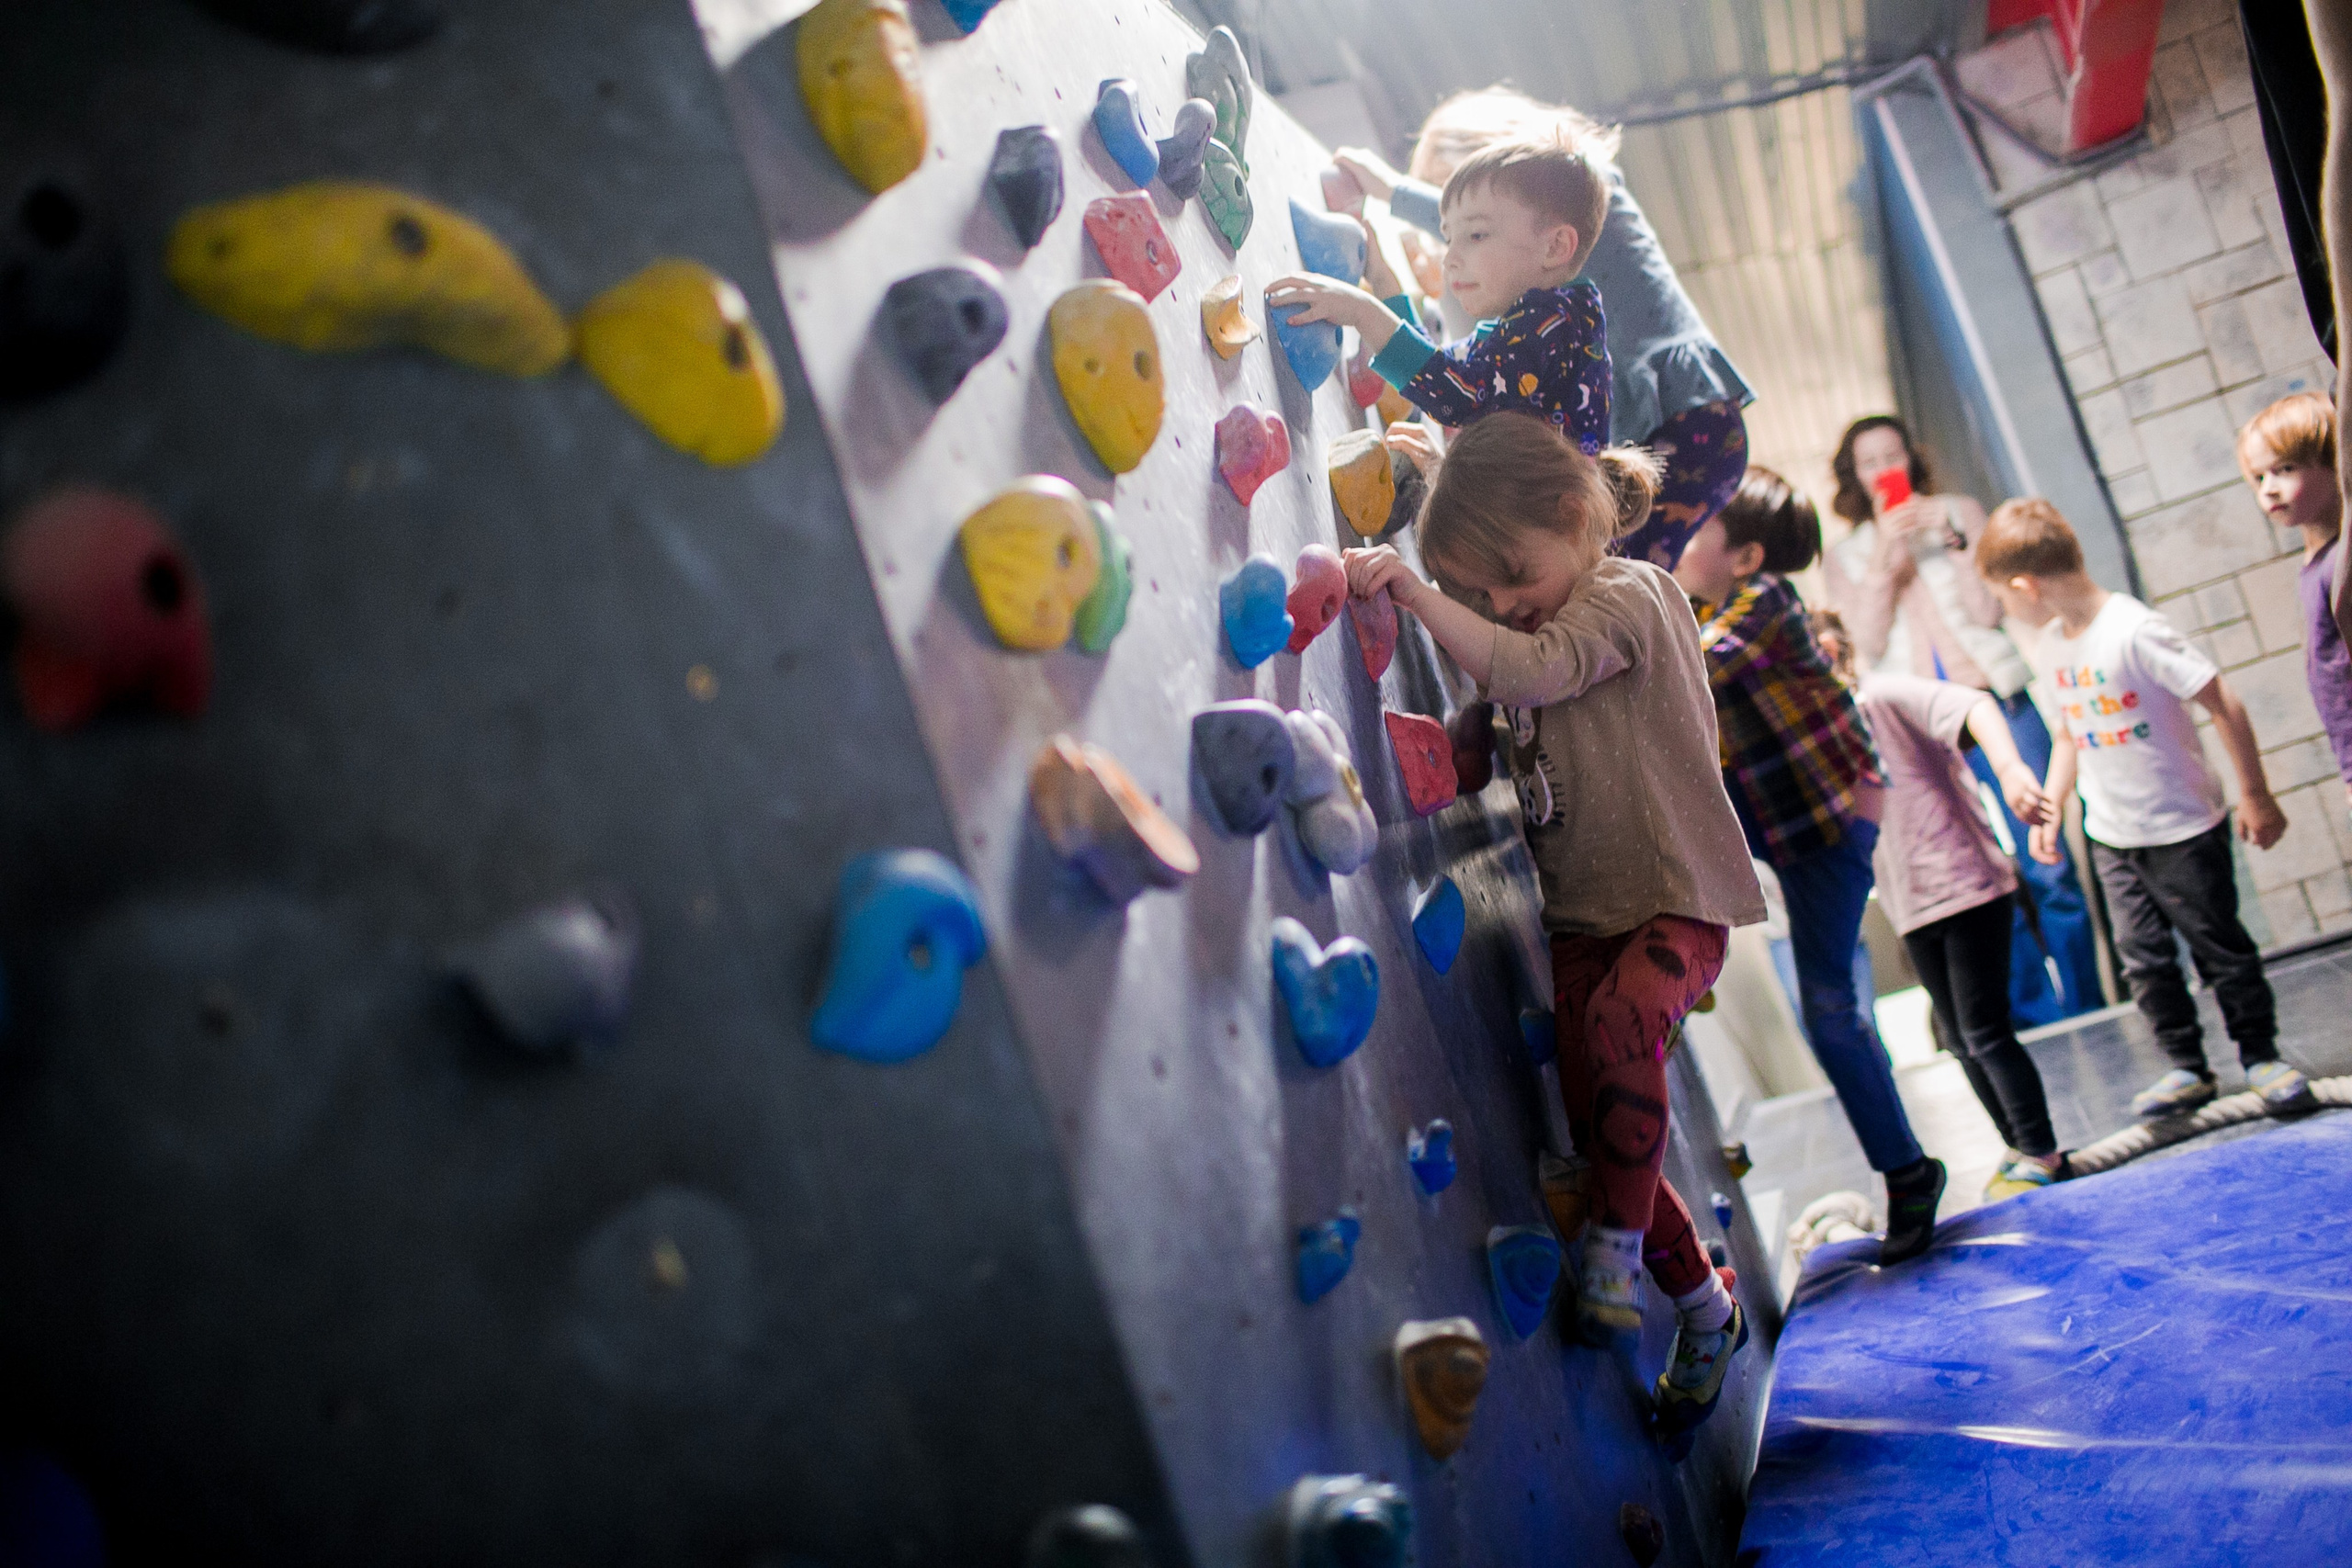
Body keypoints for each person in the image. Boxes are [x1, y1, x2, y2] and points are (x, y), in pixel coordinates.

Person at [1340, 411, 1759, 1440]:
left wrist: (1411, 587)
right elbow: (1512, 718)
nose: (1502, 606)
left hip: (1675, 900)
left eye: (1511, 578)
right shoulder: (1543, 618)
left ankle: (1614, 1253)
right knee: (1606, 1126)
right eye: (1486, 594)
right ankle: (1705, 1310)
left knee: (1620, 1037)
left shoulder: (1629, 596)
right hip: (1583, 922)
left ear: (1575, 519)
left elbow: (1531, 672)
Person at [1672, 467, 1948, 1254]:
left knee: (1828, 1012)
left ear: (1749, 556)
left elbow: (1689, 671)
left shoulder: (1762, 608)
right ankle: (1891, 1123)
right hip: (1789, 830)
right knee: (1830, 1004)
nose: (1681, 543)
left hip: (1825, 828)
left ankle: (1907, 1173)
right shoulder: (1711, 601)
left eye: (1698, 532)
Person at [1975, 500, 2318, 1118]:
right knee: (2144, 958)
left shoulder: (2133, 629)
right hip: (2112, 830)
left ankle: (2260, 1052)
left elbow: (2225, 701)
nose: (2003, 608)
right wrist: (2052, 807)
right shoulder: (2052, 645)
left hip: (2182, 824)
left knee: (2218, 946)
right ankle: (2187, 1065)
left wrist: (2256, 792)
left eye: (2002, 595)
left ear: (2026, 585)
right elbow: (2069, 732)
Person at [1323, 87, 1752, 570]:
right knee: (1600, 573)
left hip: (1690, 420)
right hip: (1674, 429)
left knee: (1600, 581)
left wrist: (1392, 191)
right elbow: (1459, 375)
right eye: (1449, 231)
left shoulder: (1587, 188)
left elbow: (1457, 384)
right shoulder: (1538, 320)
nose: (1454, 250)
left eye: (1473, 225)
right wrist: (1386, 287)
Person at [1819, 414, 2106, 1029]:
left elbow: (1991, 609)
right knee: (1982, 876)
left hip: (1999, 699)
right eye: (1869, 462)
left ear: (1909, 460)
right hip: (1926, 731)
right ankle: (2039, 1018)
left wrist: (1953, 537)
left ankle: (2090, 1005)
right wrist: (1887, 564)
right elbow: (1863, 639)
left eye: (1892, 457)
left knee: (2046, 857)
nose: (1883, 471)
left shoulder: (1959, 512)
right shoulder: (1845, 556)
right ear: (1854, 475)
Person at [1814, 609, 2070, 1199]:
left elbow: (1972, 704)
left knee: (1985, 1029)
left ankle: (2040, 1147)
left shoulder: (1881, 696)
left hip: (1964, 884)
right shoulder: (1825, 739)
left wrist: (2007, 769)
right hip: (1913, 905)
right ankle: (2022, 1147)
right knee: (1957, 1037)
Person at [1265, 135, 1613, 452]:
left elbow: (1457, 396)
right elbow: (1440, 370)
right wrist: (1385, 284)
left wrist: (1361, 311)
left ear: (1555, 247)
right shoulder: (1546, 320)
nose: (1451, 259)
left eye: (1476, 235)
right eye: (1449, 238)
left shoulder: (1555, 327)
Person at [2237, 393, 2352, 816]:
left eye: (2285, 469)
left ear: (2335, 459)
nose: (2269, 489)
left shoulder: (2341, 562)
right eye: (2259, 477)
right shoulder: (2318, 561)